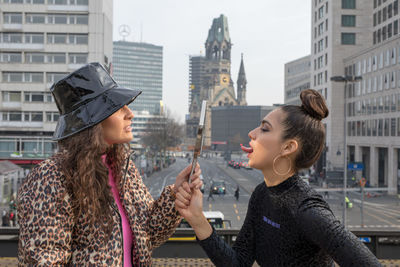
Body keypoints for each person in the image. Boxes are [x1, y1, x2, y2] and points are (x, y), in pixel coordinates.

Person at [17, 63, 202, 266]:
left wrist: (176, 194)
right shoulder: (51, 178)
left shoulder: (123, 168)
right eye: (117, 107)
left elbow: (146, 236)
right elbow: (43, 261)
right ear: (95, 121)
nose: (129, 113)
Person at [175, 89, 381, 266]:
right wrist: (197, 219)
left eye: (264, 129)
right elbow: (238, 262)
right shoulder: (261, 195)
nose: (252, 133)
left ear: (288, 147)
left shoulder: (308, 210)